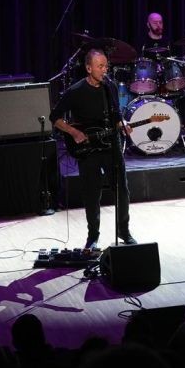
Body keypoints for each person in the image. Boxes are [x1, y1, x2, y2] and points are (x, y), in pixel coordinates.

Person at [51, 49, 137, 250]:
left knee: (122, 190)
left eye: (106, 65)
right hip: (88, 149)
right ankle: (93, 236)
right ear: (89, 68)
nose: (105, 69)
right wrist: (74, 132)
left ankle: (124, 231)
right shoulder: (75, 91)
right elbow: (54, 117)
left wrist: (123, 124)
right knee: (91, 193)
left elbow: (116, 117)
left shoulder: (110, 87)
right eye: (100, 66)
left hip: (111, 145)